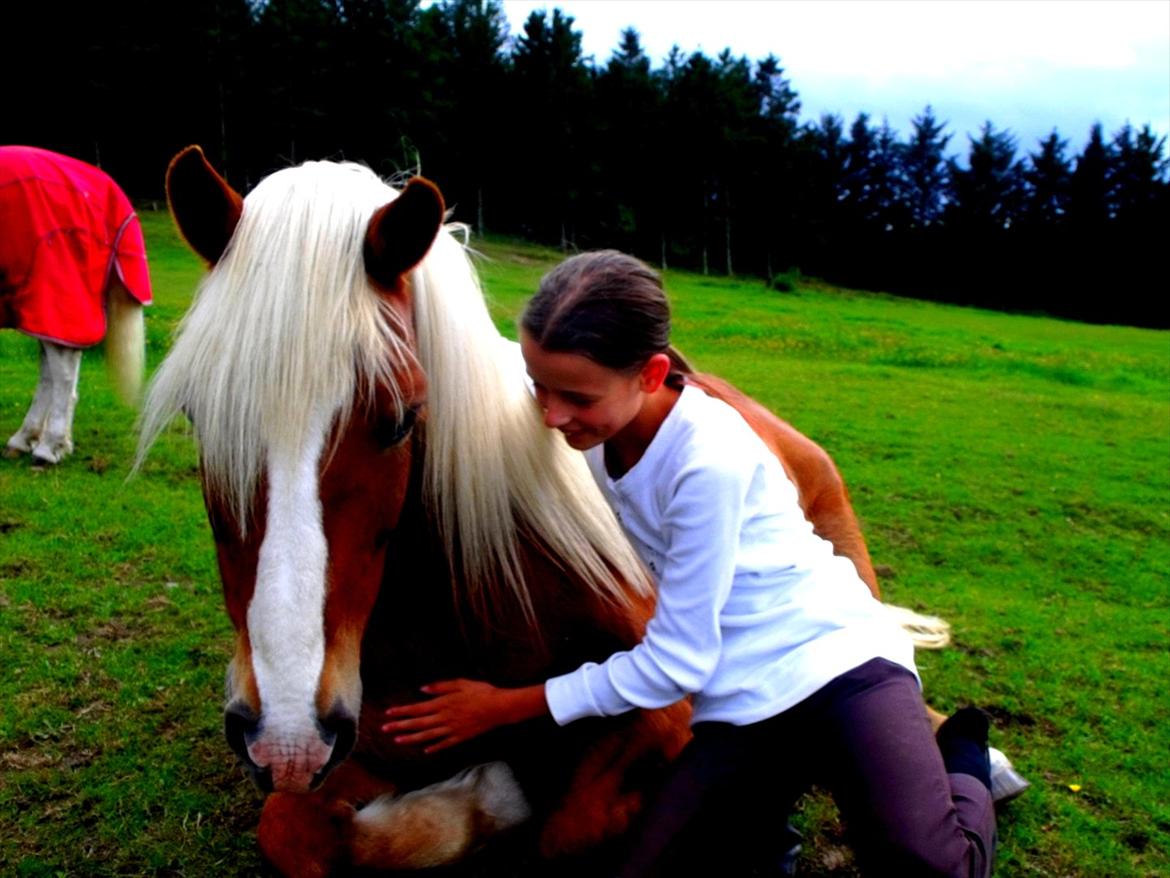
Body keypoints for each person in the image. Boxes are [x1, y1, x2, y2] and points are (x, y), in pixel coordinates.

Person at [382, 251, 997, 876]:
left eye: (575, 397)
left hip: (835, 664)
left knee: (926, 866)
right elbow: (472, 363)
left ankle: (962, 749)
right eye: (539, 385)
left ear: (651, 373)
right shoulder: (591, 412)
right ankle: (765, 836)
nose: (549, 414)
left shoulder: (709, 460)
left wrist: (504, 705)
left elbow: (675, 664)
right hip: (738, 701)